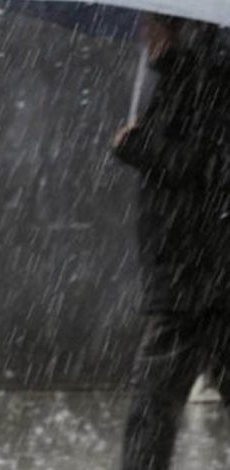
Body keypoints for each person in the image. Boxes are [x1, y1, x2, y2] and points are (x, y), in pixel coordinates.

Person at [112, 14, 230, 470]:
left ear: (175, 24)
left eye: (150, 22)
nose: (143, 31)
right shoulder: (187, 74)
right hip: (199, 270)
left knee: (152, 403)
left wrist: (137, 148)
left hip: (192, 272)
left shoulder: (202, 76)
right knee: (154, 403)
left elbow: (202, 163)